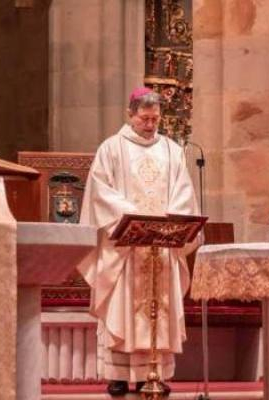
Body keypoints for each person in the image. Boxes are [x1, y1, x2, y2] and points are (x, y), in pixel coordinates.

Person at [78, 88, 200, 396]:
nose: (150, 125)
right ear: (130, 115)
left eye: (155, 119)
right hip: (127, 247)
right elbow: (100, 192)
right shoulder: (111, 149)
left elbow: (183, 191)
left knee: (161, 307)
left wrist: (169, 219)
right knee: (122, 309)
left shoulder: (172, 150)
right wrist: (134, 216)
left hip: (162, 244)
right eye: (144, 118)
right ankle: (118, 375)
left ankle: (154, 373)